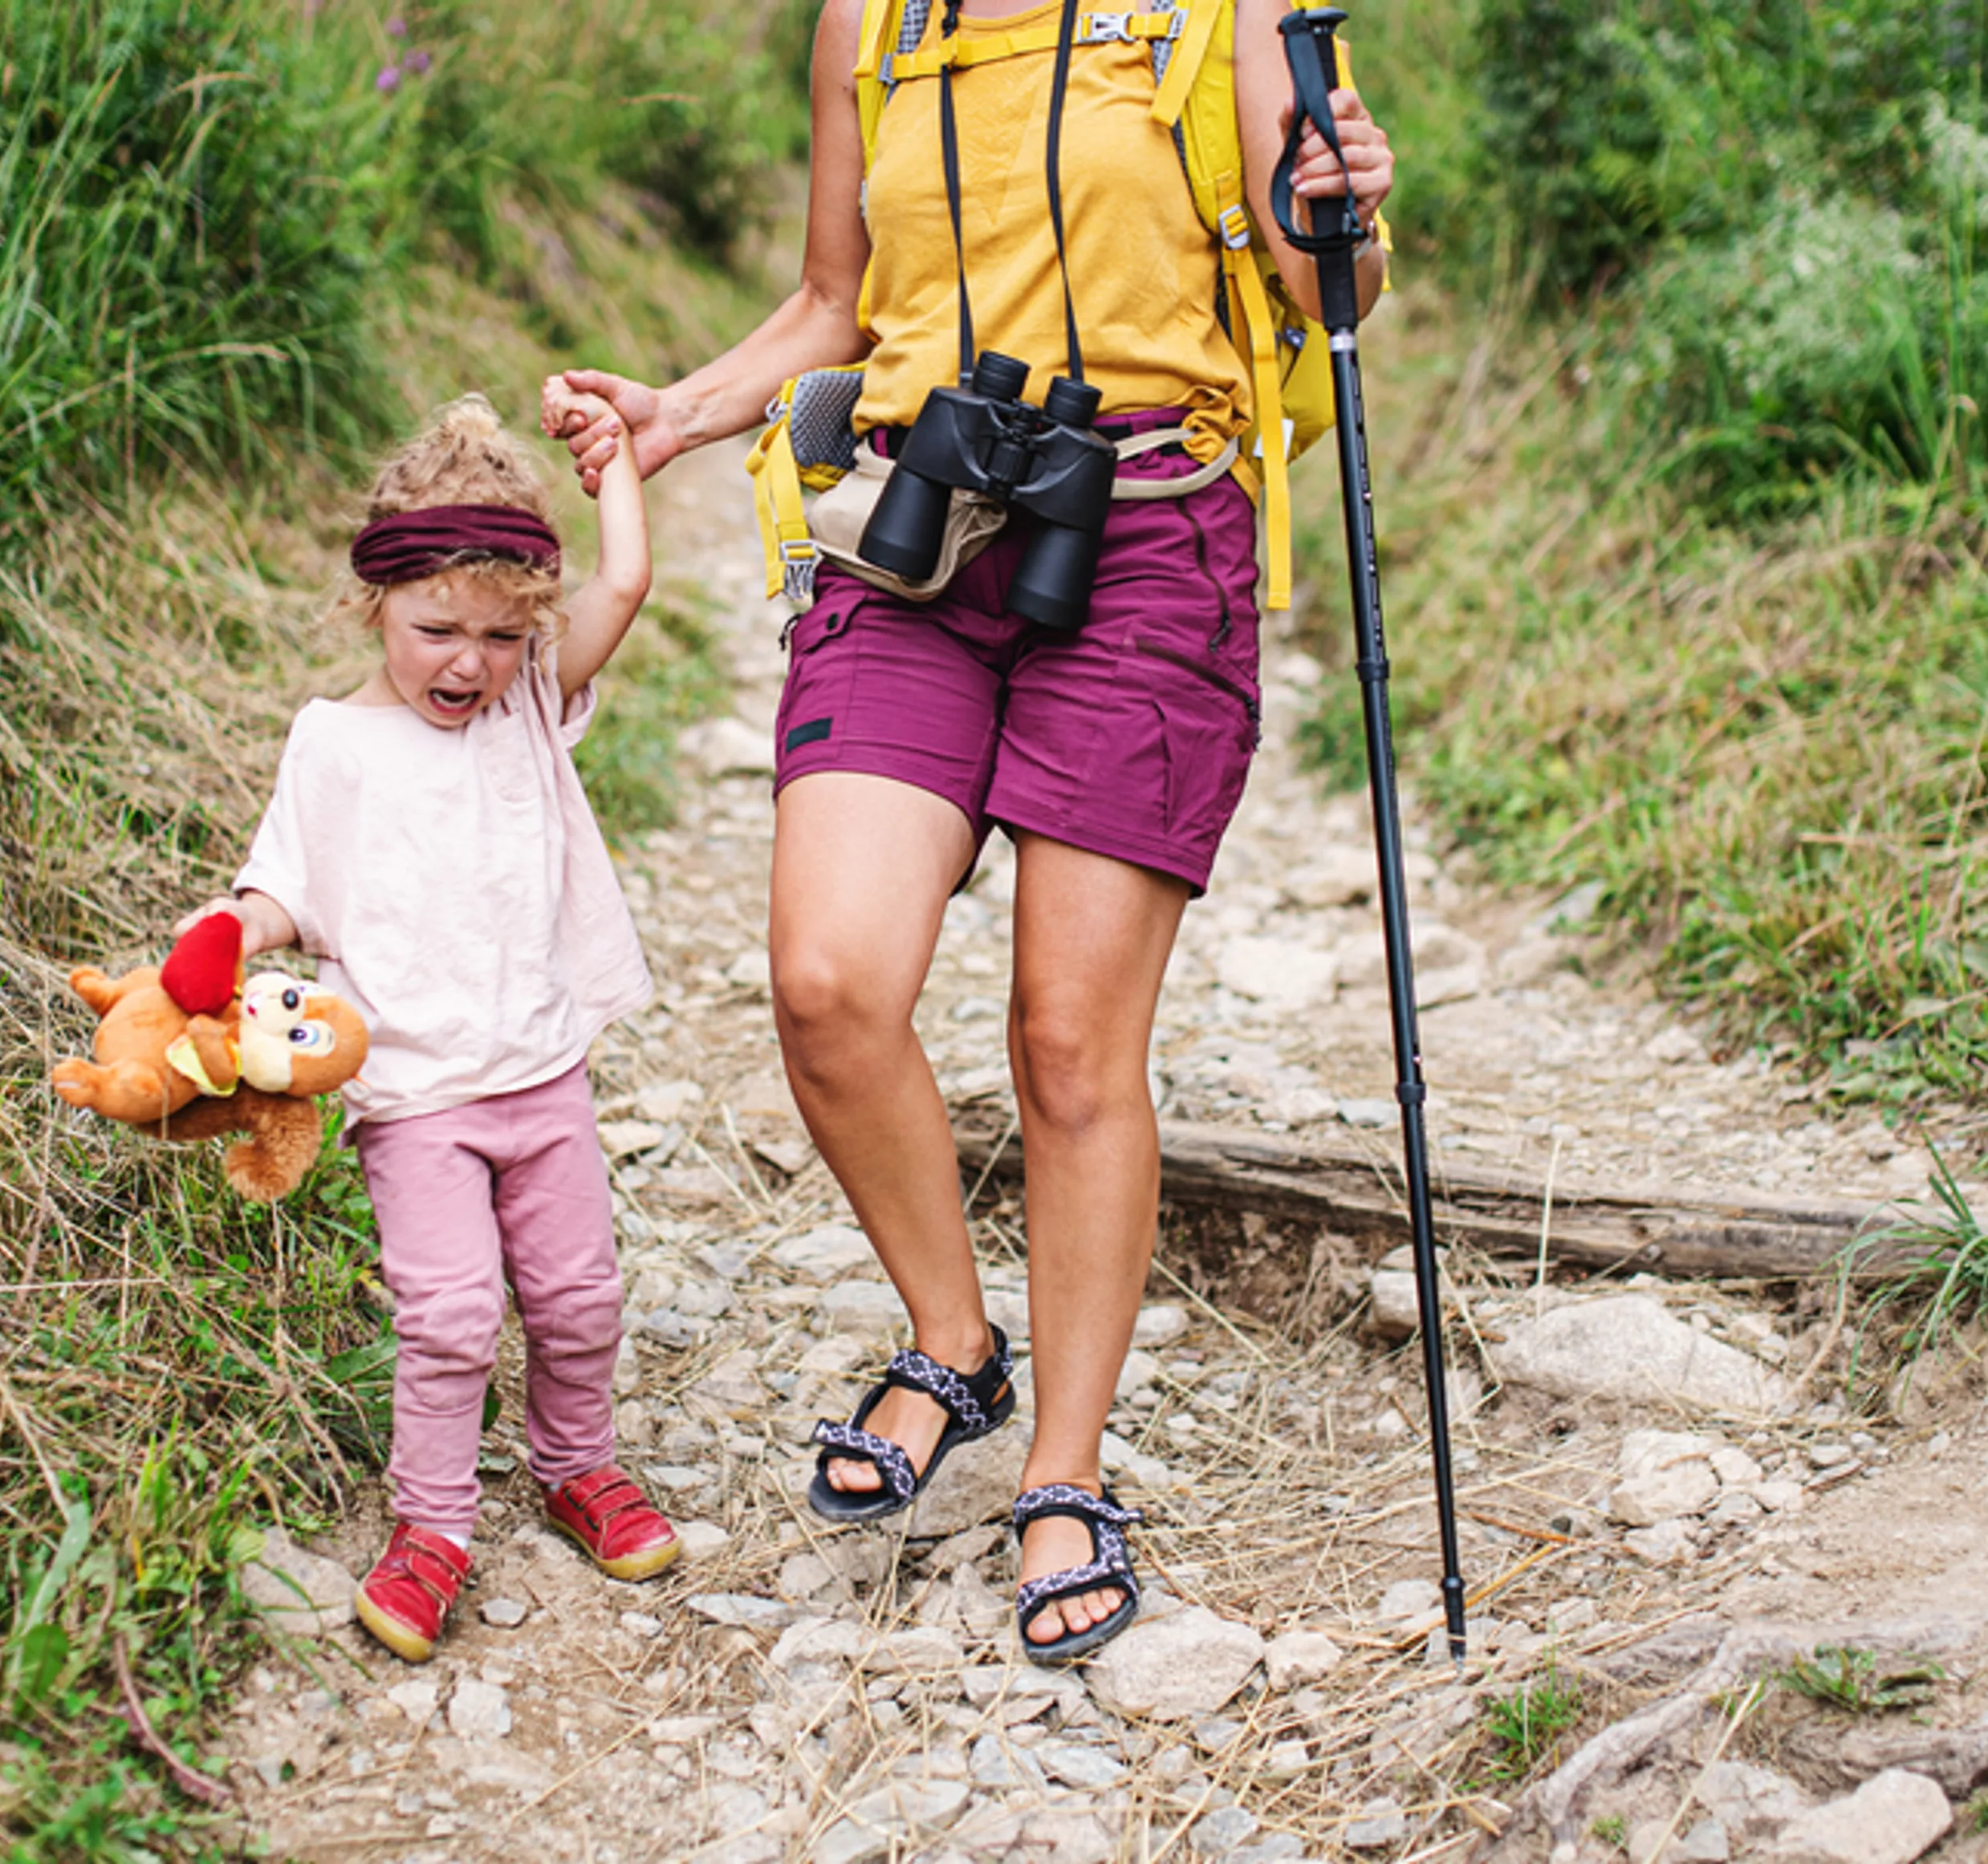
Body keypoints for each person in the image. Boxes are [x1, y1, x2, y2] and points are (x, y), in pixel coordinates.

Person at [548, 0, 1393, 1663]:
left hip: (1153, 539)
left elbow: (1336, 292)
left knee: (1071, 1045)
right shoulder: (874, 19)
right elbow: (832, 306)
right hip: (920, 532)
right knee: (826, 982)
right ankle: (955, 1342)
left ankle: (1065, 1474)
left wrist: (1343, 200)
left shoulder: (1232, 18)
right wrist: (678, 410)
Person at [177, 388, 675, 1664]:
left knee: (578, 1297)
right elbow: (284, 881)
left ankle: (579, 1466)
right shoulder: (334, 745)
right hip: (415, 1098)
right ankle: (433, 1525)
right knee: (449, 1315)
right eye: (436, 628)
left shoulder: (528, 711)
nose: (469, 663)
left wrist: (615, 462)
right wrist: (234, 929)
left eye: (504, 636)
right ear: (373, 606)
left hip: (542, 1073)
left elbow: (624, 579)